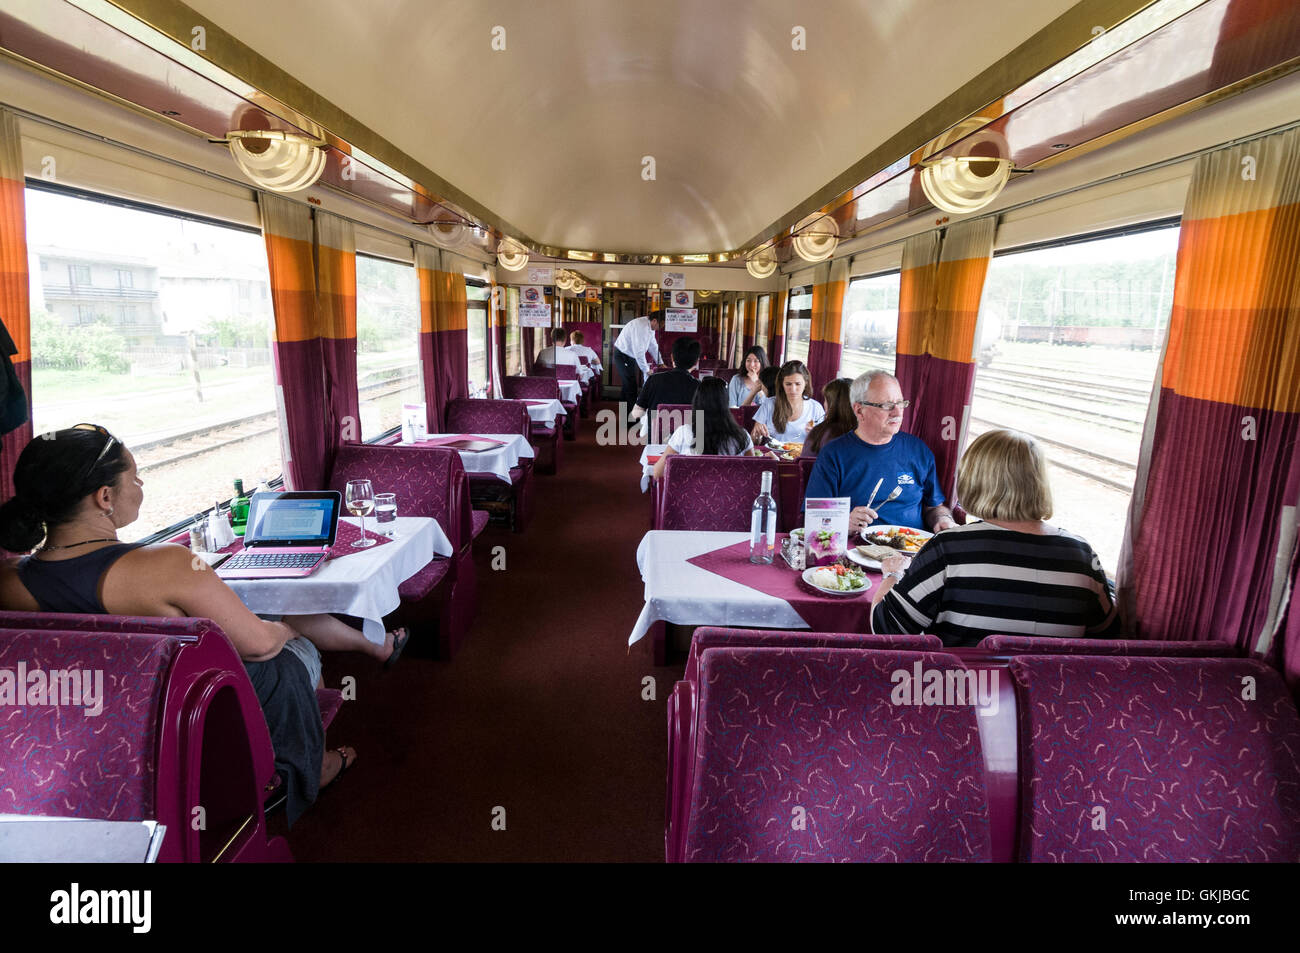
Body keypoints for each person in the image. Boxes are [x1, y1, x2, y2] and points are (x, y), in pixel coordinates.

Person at [0, 426, 401, 825]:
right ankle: (305, 769)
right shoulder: (168, 564)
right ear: (105, 497)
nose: (140, 485)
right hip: (181, 713)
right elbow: (260, 646)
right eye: (134, 477)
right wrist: (288, 626)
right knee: (295, 652)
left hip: (72, 730)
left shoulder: (8, 581)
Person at [871, 429, 1120, 647]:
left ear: (974, 480)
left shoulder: (949, 548)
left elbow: (887, 630)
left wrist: (892, 574)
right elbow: (1108, 633)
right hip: (1049, 694)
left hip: (964, 692)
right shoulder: (1082, 555)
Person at [803, 370, 956, 533]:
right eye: (887, 405)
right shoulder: (833, 455)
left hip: (912, 550)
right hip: (857, 551)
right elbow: (813, 520)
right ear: (859, 410)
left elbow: (933, 508)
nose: (897, 413)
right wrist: (843, 523)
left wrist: (943, 519)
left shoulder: (918, 450)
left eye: (901, 403)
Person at [652, 377, 755, 481]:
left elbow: (658, 472)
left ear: (696, 402)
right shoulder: (742, 436)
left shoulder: (683, 433)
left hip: (690, 495)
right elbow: (752, 474)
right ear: (726, 404)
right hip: (730, 495)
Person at [629, 336, 701, 423]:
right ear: (697, 362)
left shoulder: (653, 380)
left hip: (655, 435)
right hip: (687, 436)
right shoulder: (700, 387)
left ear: (672, 358)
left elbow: (636, 414)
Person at [751, 360, 825, 444]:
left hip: (803, 456)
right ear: (782, 384)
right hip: (775, 455)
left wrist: (816, 436)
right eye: (788, 384)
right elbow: (754, 443)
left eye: (798, 384)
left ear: (806, 384)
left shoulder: (816, 408)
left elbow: (824, 444)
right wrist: (757, 434)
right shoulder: (769, 404)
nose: (793, 390)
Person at [612, 310, 662, 408]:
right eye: (661, 325)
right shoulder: (641, 327)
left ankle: (624, 413)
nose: (661, 328)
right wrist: (646, 370)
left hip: (631, 356)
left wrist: (660, 363)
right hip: (622, 355)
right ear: (655, 321)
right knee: (631, 386)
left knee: (628, 384)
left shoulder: (650, 327)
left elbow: (653, 346)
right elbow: (639, 352)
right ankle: (632, 418)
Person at [802, 378, 855, 456]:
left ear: (831, 404)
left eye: (825, 400)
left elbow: (804, 464)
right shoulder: (865, 435)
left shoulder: (819, 434)